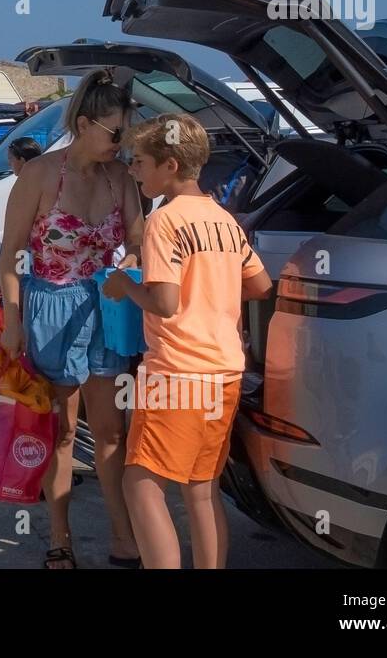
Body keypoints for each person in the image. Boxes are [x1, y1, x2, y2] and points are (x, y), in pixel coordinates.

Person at [103, 114, 273, 569]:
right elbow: (260, 285)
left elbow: (164, 302)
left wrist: (124, 286)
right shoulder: (224, 220)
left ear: (171, 165)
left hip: (177, 371)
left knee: (140, 484)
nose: (134, 171)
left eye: (140, 162)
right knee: (201, 490)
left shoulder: (165, 220)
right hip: (225, 372)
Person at [0, 69, 144, 569]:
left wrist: (126, 263)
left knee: (111, 433)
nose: (122, 142)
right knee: (59, 432)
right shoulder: (40, 175)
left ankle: (124, 537)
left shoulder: (120, 176)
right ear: (84, 124)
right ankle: (59, 537)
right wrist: (13, 319)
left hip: (105, 312)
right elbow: (10, 255)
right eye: (115, 132)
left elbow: (139, 239)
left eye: (125, 132)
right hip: (50, 312)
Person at [0, 137, 43, 291]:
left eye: (11, 159)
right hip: (43, 263)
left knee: (22, 293)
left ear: (22, 160)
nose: (9, 164)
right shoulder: (48, 184)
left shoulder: (24, 189)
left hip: (26, 257)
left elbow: (12, 235)